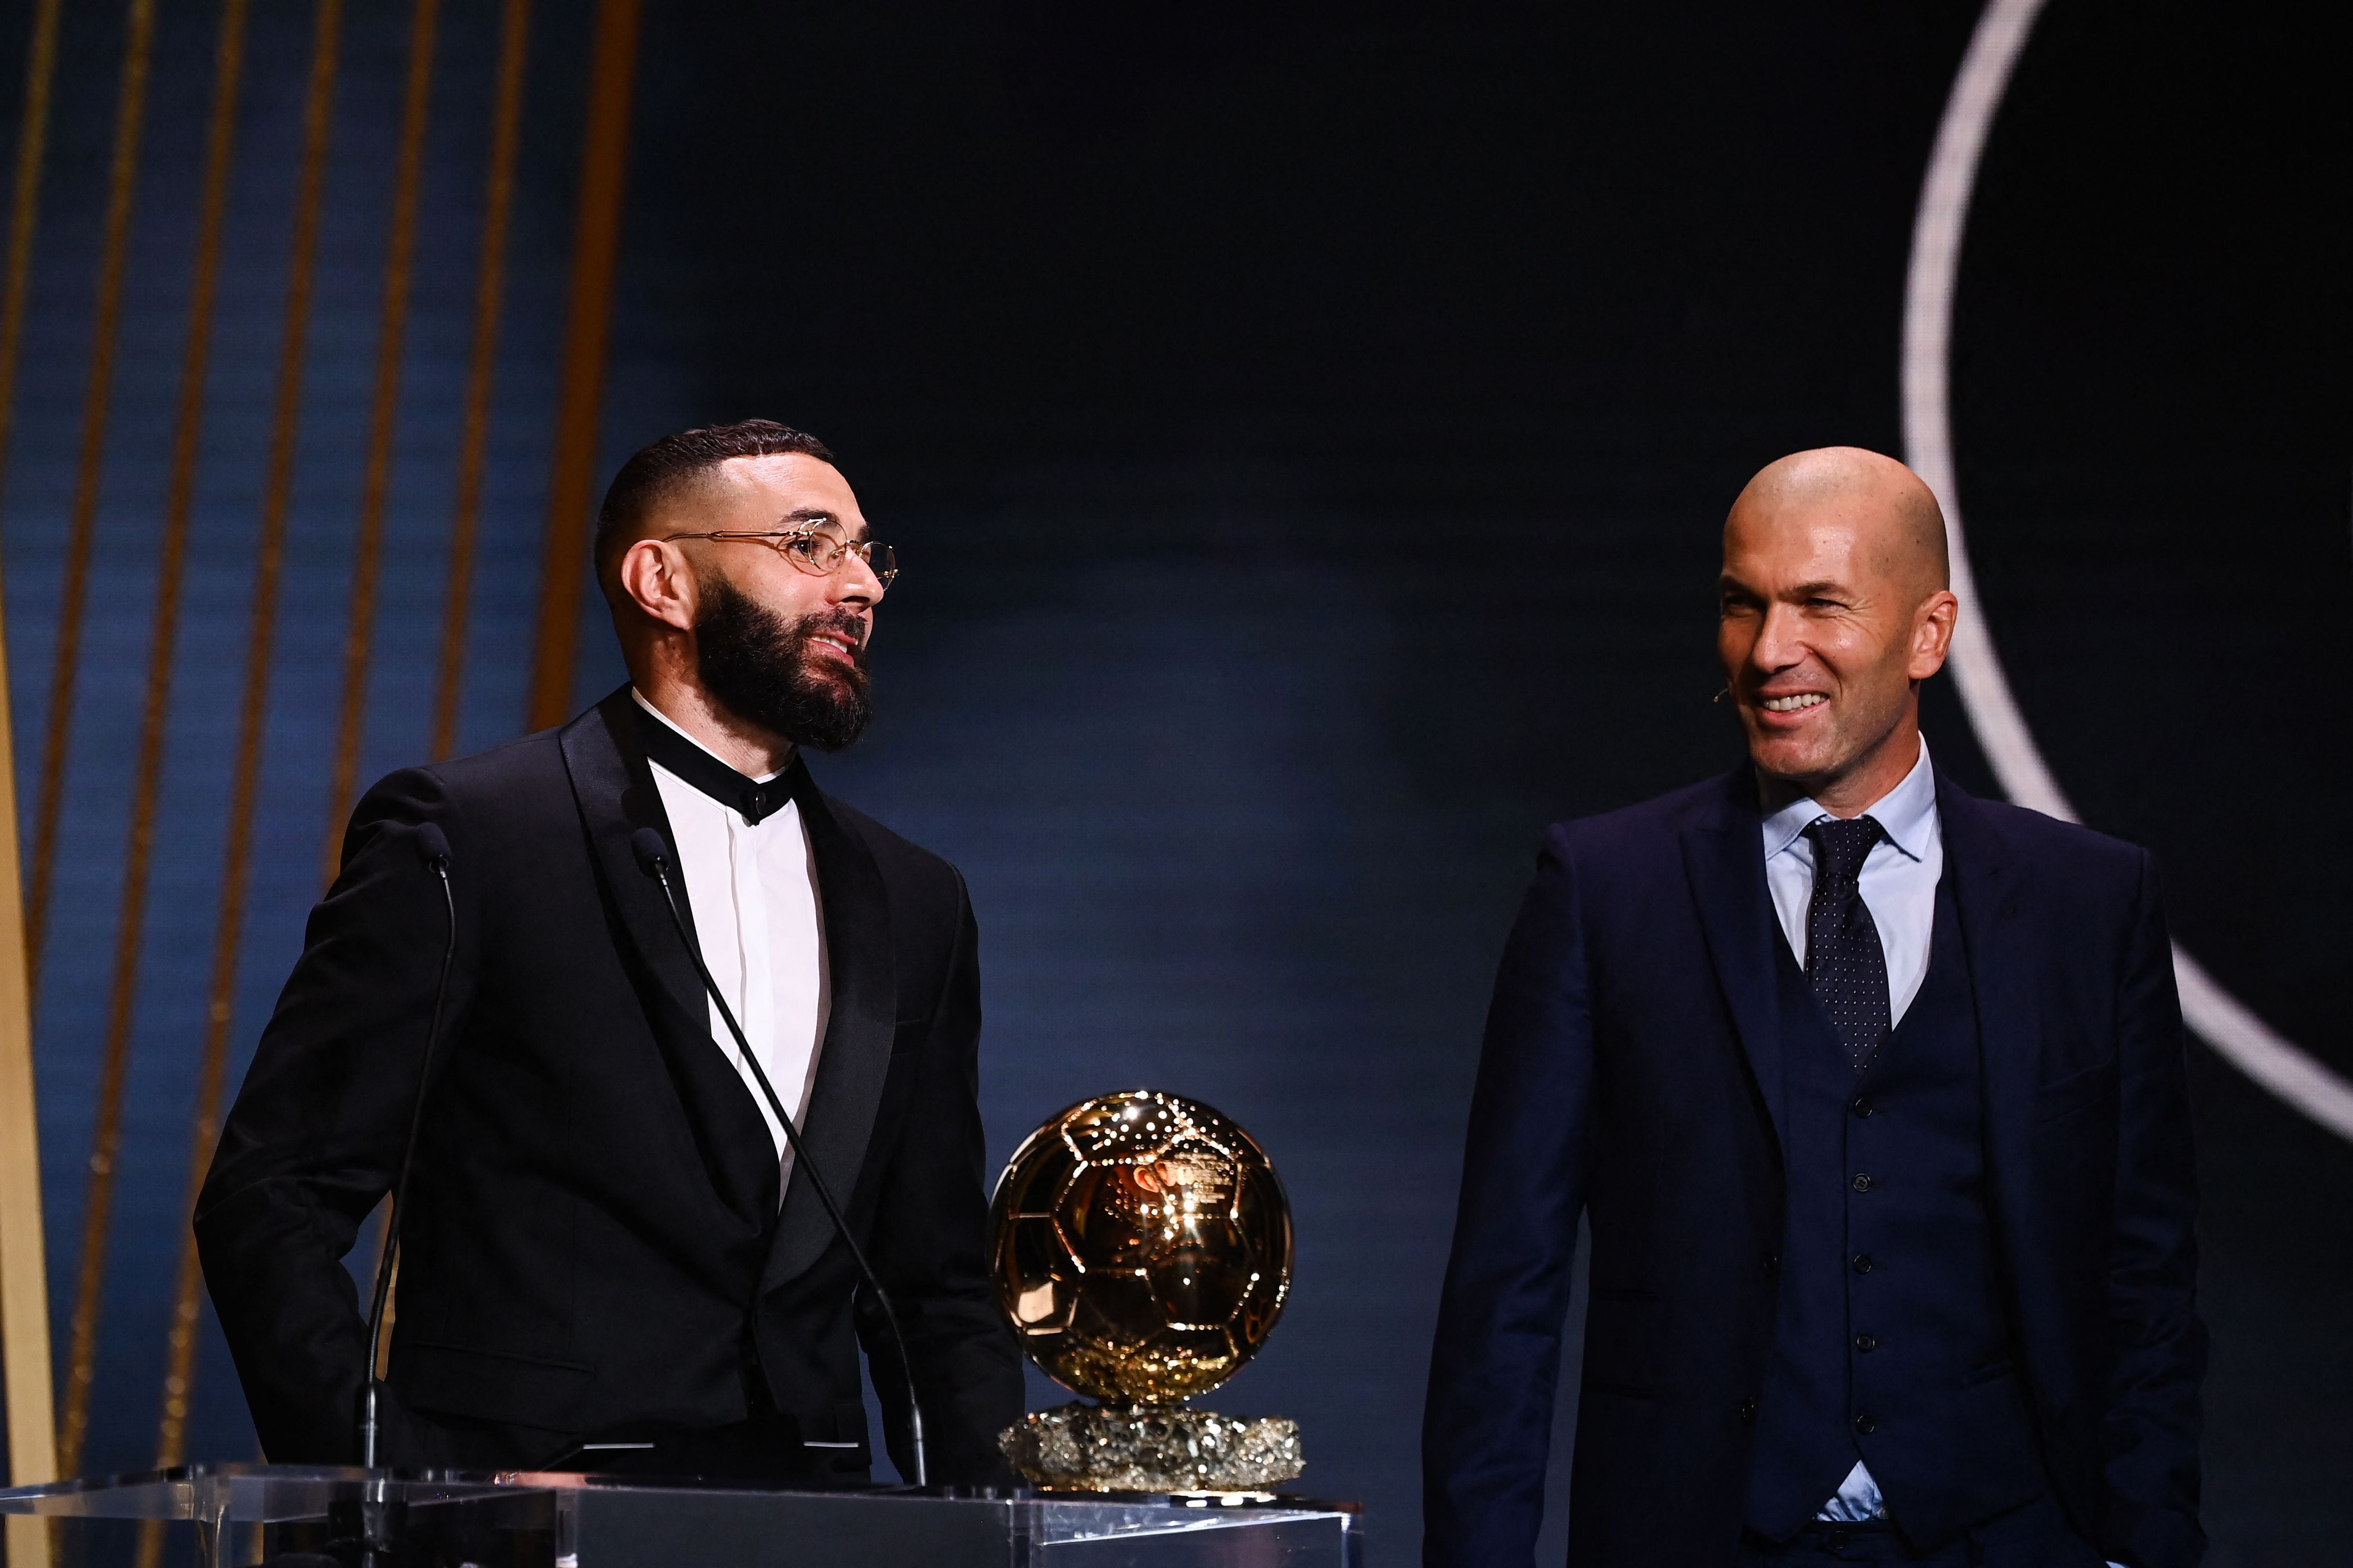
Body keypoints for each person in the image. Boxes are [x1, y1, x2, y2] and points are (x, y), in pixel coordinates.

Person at [197, 420, 1024, 1483]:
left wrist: (989, 1526)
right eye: (811, 544)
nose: (860, 585)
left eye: (869, 553)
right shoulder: (469, 836)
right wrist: (397, 1487)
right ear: (661, 580)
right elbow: (273, 1197)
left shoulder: (916, 899)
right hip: (516, 1523)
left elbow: (936, 1279)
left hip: (810, 1520)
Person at [1422, 448, 2203, 1567]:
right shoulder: (1605, 890)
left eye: (1818, 605)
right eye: (1743, 605)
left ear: (1927, 634)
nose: (1768, 650)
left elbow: (2145, 1284)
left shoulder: (2089, 901)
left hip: (2015, 1539)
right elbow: (1507, 1287)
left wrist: (2149, 1546)